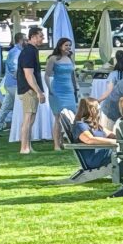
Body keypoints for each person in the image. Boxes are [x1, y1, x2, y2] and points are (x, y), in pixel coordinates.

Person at [67, 96, 118, 182]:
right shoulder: (80, 125)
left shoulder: (95, 125)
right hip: (94, 159)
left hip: (102, 154)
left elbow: (111, 134)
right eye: (98, 108)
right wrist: (115, 142)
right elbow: (89, 140)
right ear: (92, 110)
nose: (100, 110)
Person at [16, 24, 47, 155]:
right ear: (33, 37)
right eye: (41, 36)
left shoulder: (32, 50)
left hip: (30, 89)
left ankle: (28, 146)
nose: (43, 39)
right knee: (28, 119)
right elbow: (29, 74)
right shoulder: (28, 52)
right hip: (28, 89)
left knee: (31, 119)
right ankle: (24, 148)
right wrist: (38, 91)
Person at [47, 36, 79, 144]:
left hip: (69, 91)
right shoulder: (53, 58)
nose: (68, 47)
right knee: (58, 117)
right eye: (66, 45)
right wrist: (49, 89)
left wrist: (75, 87)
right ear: (60, 46)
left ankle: (68, 140)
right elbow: (47, 75)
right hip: (57, 90)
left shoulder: (70, 58)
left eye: (70, 45)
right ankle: (56, 143)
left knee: (72, 116)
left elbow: (72, 75)